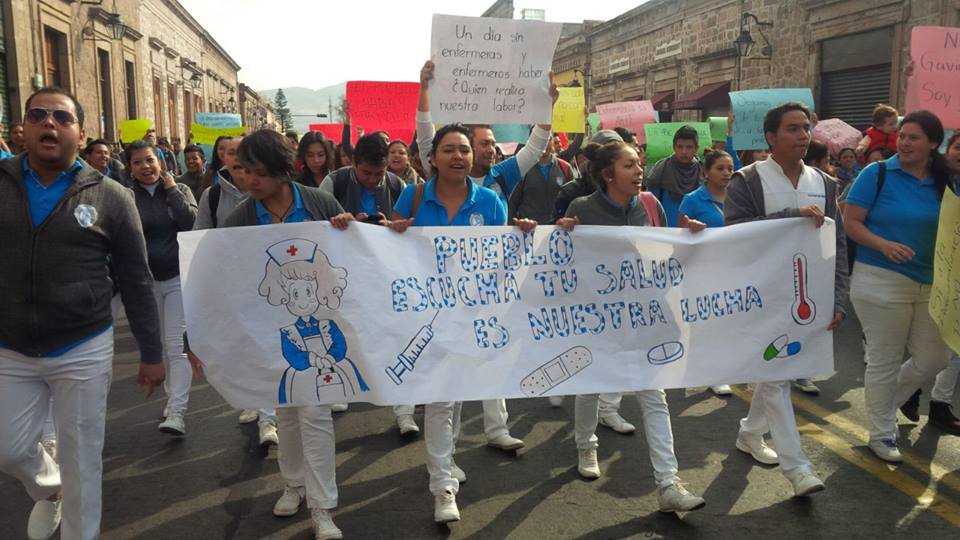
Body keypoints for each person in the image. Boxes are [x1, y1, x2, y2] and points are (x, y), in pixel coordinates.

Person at [0, 86, 164, 540]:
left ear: (81, 132)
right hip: (9, 344)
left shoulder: (112, 196)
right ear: (24, 129)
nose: (48, 123)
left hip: (82, 345)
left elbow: (136, 278)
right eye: (38, 115)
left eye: (61, 117)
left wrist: (152, 352)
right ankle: (50, 491)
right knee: (8, 451)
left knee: (81, 456)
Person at [387, 123, 538, 523]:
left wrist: (521, 235)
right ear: (432, 157)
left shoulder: (490, 201)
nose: (459, 156)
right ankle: (443, 487)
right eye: (450, 149)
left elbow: (503, 262)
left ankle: (446, 462)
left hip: (473, 319)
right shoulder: (412, 196)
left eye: (465, 150)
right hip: (426, 318)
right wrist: (393, 230)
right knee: (441, 399)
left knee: (453, 398)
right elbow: (390, 256)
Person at [555, 139, 707, 513]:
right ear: (608, 173)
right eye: (629, 166)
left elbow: (662, 256)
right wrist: (562, 233)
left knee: (654, 397)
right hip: (597, 321)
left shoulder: (650, 206)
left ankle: (669, 484)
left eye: (639, 164)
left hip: (643, 319)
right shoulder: (582, 209)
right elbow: (561, 262)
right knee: (591, 386)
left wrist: (687, 237)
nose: (639, 170)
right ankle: (586, 447)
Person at [214, 129, 347, 540]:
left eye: (257, 172)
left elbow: (350, 253)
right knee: (286, 414)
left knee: (316, 416)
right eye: (243, 171)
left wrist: (347, 225)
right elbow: (225, 272)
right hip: (269, 334)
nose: (248, 181)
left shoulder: (318, 202)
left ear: (281, 170)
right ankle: (294, 483)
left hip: (321, 331)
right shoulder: (241, 216)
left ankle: (323, 507)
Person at [413, 59, 547, 451]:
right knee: (448, 382)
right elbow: (425, 130)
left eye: (488, 144)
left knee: (492, 354)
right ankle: (445, 457)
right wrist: (424, 88)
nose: (489, 149)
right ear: (439, 154)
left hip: (486, 290)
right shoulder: (429, 182)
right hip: (439, 295)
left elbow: (537, 144)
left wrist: (546, 105)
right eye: (482, 142)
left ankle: (497, 430)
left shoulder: (499, 181)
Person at [725, 101, 848, 497]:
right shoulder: (747, 179)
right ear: (771, 137)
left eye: (805, 128)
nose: (802, 136)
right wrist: (790, 216)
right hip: (762, 296)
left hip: (807, 297)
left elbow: (837, 245)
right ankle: (798, 469)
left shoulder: (825, 183)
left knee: (775, 373)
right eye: (793, 129)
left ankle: (749, 433)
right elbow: (735, 233)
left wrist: (838, 298)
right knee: (778, 376)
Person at [844, 110, 951, 462]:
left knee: (934, 358)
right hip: (880, 279)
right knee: (884, 359)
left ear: (934, 144)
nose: (904, 142)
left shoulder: (947, 180)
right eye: (902, 135)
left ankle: (886, 404)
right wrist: (883, 244)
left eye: (914, 137)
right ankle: (881, 432)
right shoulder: (877, 174)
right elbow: (852, 222)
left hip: (932, 282)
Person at [125, 140, 198, 435]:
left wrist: (170, 190)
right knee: (161, 348)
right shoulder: (126, 197)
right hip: (145, 284)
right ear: (130, 168)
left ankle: (178, 412)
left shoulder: (180, 190)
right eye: (138, 162)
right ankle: (172, 399)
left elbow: (190, 221)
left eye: (150, 160)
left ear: (161, 161)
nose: (146, 167)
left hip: (178, 278)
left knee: (177, 345)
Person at [415, 60, 552, 204]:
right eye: (485, 144)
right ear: (468, 147)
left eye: (493, 144)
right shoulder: (443, 173)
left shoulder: (502, 175)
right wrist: (425, 89)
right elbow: (425, 138)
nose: (491, 150)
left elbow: (534, 150)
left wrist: (546, 109)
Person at [677, 149, 735, 396]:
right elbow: (679, 235)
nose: (726, 173)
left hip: (732, 268)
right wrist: (690, 228)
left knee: (725, 321)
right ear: (706, 172)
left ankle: (717, 370)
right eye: (720, 168)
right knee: (702, 322)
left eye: (730, 168)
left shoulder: (738, 197)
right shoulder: (692, 200)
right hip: (701, 269)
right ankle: (706, 371)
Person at [320, 133, 405, 224]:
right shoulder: (333, 183)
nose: (372, 179)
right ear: (354, 162)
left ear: (387, 165)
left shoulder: (398, 187)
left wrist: (390, 226)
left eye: (379, 173)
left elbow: (408, 226)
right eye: (366, 173)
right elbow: (318, 224)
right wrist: (345, 225)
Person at [507, 130, 574, 224]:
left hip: (558, 232)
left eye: (548, 139)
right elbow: (512, 203)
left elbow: (573, 201)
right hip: (528, 232)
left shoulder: (565, 168)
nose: (544, 144)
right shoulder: (522, 168)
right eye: (540, 140)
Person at [646, 125, 703, 226]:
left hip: (694, 233)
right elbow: (649, 206)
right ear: (673, 147)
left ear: (696, 148)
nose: (684, 151)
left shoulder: (703, 171)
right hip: (665, 233)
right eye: (680, 147)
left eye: (689, 147)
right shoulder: (661, 169)